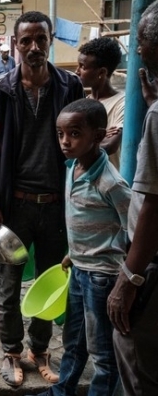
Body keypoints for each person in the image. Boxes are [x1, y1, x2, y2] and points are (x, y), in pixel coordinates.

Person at [0, 11, 84, 387]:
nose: (34, 47)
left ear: (50, 39)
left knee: (50, 281)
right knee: (8, 283)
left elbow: (82, 143)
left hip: (56, 205)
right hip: (14, 206)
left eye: (41, 39)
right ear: (15, 44)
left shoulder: (69, 87)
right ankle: (11, 352)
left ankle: (39, 350)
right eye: (26, 40)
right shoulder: (0, 91)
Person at [30, 98, 130, 396]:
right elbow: (81, 219)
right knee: (74, 341)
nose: (65, 141)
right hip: (79, 269)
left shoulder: (110, 182)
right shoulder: (72, 166)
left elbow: (133, 226)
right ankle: (62, 391)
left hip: (102, 277)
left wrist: (123, 272)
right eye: (61, 134)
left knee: (102, 353)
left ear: (98, 136)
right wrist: (73, 253)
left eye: (74, 134)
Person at [108, 2, 158, 394]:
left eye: (141, 41)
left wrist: (129, 277)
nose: (138, 50)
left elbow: (153, 206)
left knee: (137, 366)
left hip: (150, 270)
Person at [76, 37, 124, 170]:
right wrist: (98, 138)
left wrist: (81, 142)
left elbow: (110, 145)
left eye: (82, 67)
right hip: (84, 180)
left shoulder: (122, 103)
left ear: (101, 72)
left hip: (108, 182)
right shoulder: (84, 102)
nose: (77, 71)